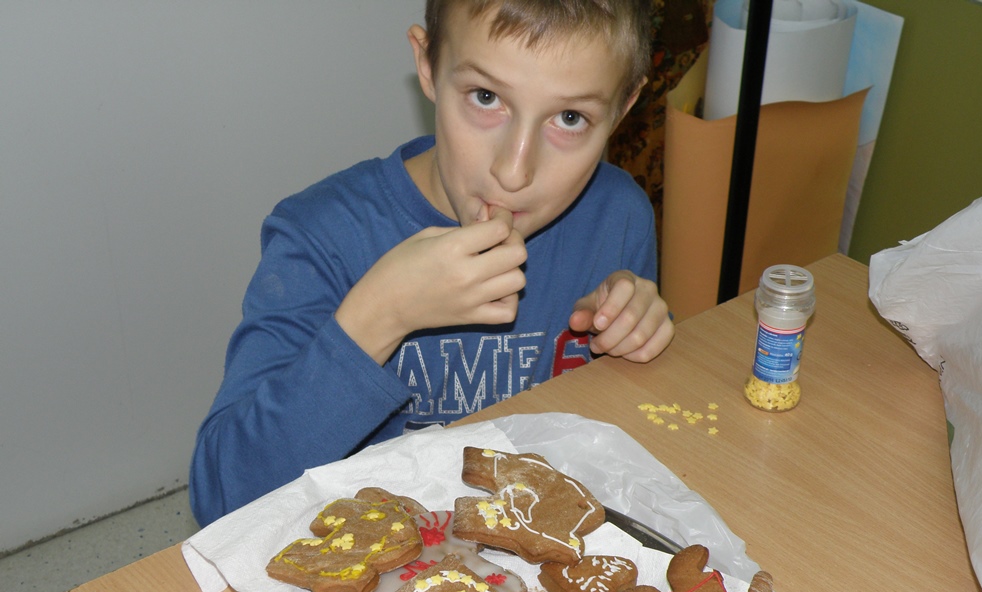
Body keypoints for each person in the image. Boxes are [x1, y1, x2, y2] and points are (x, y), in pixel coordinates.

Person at [189, 0, 674, 526]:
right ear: (427, 64)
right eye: (486, 97)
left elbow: (633, 434)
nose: (514, 172)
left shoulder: (619, 216)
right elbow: (222, 498)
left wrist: (632, 333)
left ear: (623, 106)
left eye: (570, 118)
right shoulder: (321, 235)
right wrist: (380, 316)